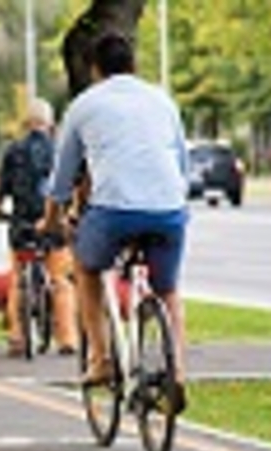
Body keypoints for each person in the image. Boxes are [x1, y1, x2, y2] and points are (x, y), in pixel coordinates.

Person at [37, 32, 189, 413]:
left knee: (87, 269)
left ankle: (101, 359)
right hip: (169, 208)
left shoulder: (85, 105)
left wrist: (51, 221)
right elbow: (181, 164)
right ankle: (179, 373)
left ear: (94, 69)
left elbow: (61, 179)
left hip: (114, 210)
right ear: (134, 65)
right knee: (167, 289)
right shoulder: (162, 100)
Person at [0, 97, 77, 357]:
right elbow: (69, 186)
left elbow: (2, 187)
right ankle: (67, 339)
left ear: (26, 122)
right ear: (50, 123)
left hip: (22, 224)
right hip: (53, 224)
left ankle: (17, 336)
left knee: (18, 279)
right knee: (60, 281)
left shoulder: (13, 151)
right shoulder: (59, 151)